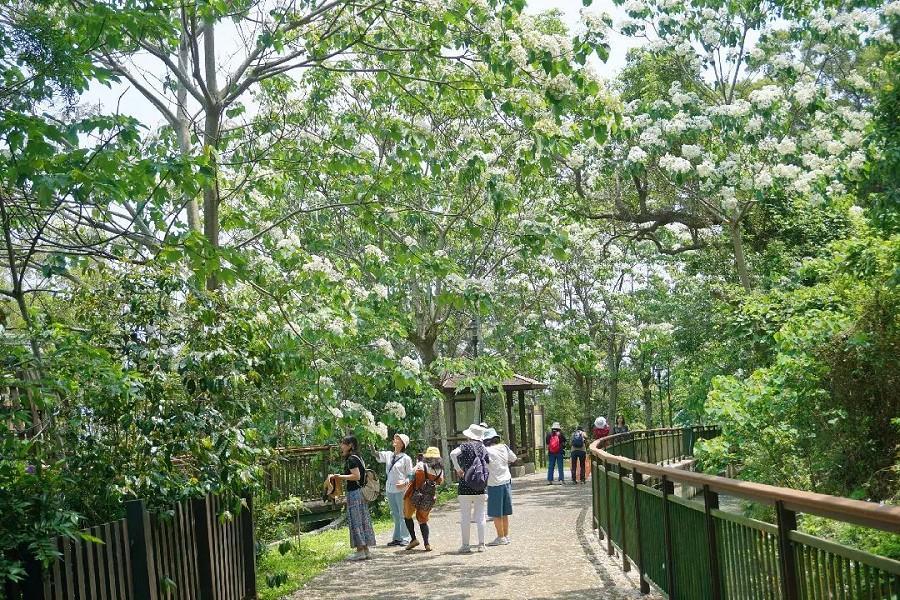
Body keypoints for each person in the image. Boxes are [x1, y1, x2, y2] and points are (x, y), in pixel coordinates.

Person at [330, 434, 376, 560]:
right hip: (359, 493)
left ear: (350, 445)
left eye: (343, 443)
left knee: (356, 521)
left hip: (355, 493)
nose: (341, 446)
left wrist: (339, 477)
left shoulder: (351, 459)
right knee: (362, 520)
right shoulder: (358, 457)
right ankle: (366, 550)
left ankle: (360, 550)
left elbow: (356, 476)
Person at [450, 423, 490, 553]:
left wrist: (458, 469)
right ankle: (481, 544)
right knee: (480, 516)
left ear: (469, 436)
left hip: (464, 485)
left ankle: (466, 545)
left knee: (465, 517)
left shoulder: (465, 446)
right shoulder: (483, 448)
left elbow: (452, 454)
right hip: (480, 486)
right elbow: (489, 462)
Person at [375, 433, 414, 547]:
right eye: (395, 438)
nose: (395, 440)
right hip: (390, 488)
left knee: (403, 514)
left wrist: (404, 483)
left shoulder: (406, 459)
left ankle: (405, 538)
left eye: (398, 439)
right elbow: (376, 455)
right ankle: (397, 538)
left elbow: (411, 475)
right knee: (395, 514)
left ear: (402, 444)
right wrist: (371, 445)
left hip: (401, 489)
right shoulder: (388, 455)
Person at [403, 446, 444, 551]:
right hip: (428, 498)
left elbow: (411, 475)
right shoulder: (440, 470)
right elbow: (440, 482)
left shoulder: (421, 465)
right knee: (423, 520)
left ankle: (413, 539)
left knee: (407, 516)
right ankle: (427, 544)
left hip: (413, 494)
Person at [483, 428, 516, 545]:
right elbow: (514, 458)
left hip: (494, 484)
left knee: (496, 513)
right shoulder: (504, 447)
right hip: (506, 481)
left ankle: (500, 537)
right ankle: (506, 536)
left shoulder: (486, 450)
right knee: (505, 512)